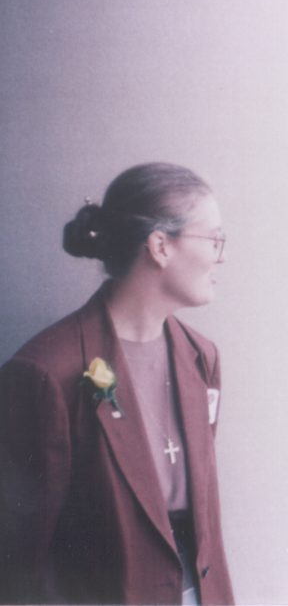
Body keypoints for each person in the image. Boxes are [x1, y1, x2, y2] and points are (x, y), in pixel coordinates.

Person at [0, 163, 234, 605]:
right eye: (214, 239)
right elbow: (19, 559)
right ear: (160, 246)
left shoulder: (201, 357)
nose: (222, 255)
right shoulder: (46, 372)